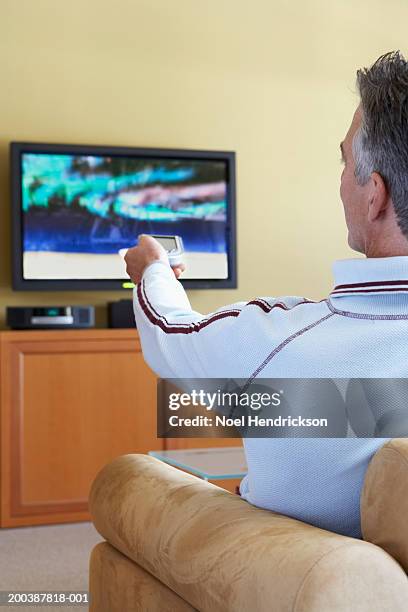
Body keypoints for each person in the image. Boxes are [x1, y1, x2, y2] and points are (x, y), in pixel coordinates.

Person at [125, 51, 408, 538]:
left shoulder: (277, 343)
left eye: (344, 162)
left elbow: (172, 333)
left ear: (373, 194)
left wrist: (152, 271)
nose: (341, 179)